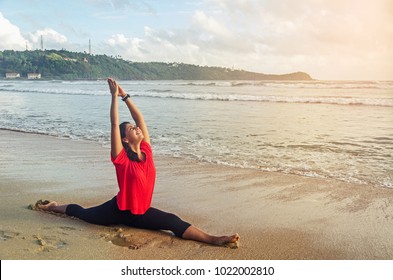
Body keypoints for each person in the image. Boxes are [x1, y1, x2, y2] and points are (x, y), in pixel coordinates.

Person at [37, 78, 239, 247]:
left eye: (135, 127)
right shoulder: (121, 159)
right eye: (132, 129)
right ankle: (53, 207)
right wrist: (113, 97)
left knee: (173, 221)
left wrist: (125, 96)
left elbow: (140, 118)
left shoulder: (147, 151)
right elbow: (115, 124)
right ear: (125, 139)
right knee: (83, 213)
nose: (137, 128)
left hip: (141, 213)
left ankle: (213, 239)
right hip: (117, 210)